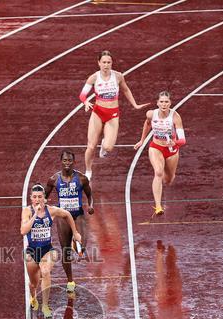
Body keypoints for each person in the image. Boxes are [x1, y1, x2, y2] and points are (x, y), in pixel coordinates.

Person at [79, 50, 147, 178]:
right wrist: (86, 102)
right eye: (103, 62)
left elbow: (126, 90)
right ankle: (88, 171)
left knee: (109, 147)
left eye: (108, 62)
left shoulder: (118, 76)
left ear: (112, 63)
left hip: (113, 114)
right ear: (98, 63)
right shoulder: (94, 77)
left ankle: (104, 145)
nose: (106, 65)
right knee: (91, 146)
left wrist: (135, 105)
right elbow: (82, 95)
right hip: (98, 113)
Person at [22, 184, 81, 318]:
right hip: (31, 251)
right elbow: (23, 231)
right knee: (33, 283)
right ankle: (33, 298)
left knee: (45, 271)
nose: (37, 200)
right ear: (31, 198)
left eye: (40, 197)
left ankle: (45, 305)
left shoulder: (52, 211)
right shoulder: (27, 211)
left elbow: (67, 215)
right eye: (35, 197)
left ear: (45, 199)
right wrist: (35, 214)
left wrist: (75, 232)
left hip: (48, 249)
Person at [44, 150, 94, 292]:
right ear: (61, 161)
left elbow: (90, 195)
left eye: (70, 161)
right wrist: (46, 209)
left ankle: (76, 242)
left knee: (81, 247)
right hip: (63, 216)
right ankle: (70, 281)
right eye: (65, 160)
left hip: (78, 215)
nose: (67, 163)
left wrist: (90, 206)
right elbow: (44, 196)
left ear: (74, 162)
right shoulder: (54, 179)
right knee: (65, 251)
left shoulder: (82, 179)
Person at [134, 91, 187, 217]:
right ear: (157, 103)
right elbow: (147, 124)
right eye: (161, 101)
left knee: (168, 179)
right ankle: (158, 206)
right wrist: (142, 140)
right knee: (158, 172)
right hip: (156, 147)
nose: (164, 104)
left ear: (170, 103)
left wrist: (174, 143)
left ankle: (163, 179)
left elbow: (183, 140)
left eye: (166, 102)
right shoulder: (151, 114)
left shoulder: (175, 117)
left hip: (171, 150)